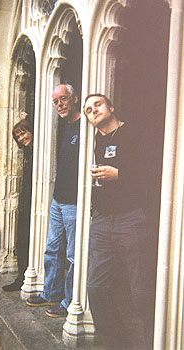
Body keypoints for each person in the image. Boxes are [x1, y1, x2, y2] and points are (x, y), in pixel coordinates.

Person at [83, 94, 157, 349]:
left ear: (111, 107)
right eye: (89, 110)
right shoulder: (96, 140)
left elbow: (155, 172)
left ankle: (152, 343)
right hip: (103, 222)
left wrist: (120, 175)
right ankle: (115, 343)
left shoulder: (134, 134)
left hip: (132, 219)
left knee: (141, 292)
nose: (94, 110)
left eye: (98, 104)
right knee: (96, 289)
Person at [26, 83, 81, 318]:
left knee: (73, 255)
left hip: (75, 202)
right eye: (55, 101)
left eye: (63, 99)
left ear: (75, 98)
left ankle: (69, 302)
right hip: (58, 200)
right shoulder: (64, 127)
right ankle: (51, 292)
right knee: (52, 249)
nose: (59, 104)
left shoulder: (85, 127)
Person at [2, 112, 33, 292]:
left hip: (35, 204)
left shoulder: (42, 150)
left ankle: (25, 277)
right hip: (26, 203)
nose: (21, 138)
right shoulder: (28, 152)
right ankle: (21, 277)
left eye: (23, 133)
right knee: (21, 241)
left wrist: (27, 117)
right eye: (18, 136)